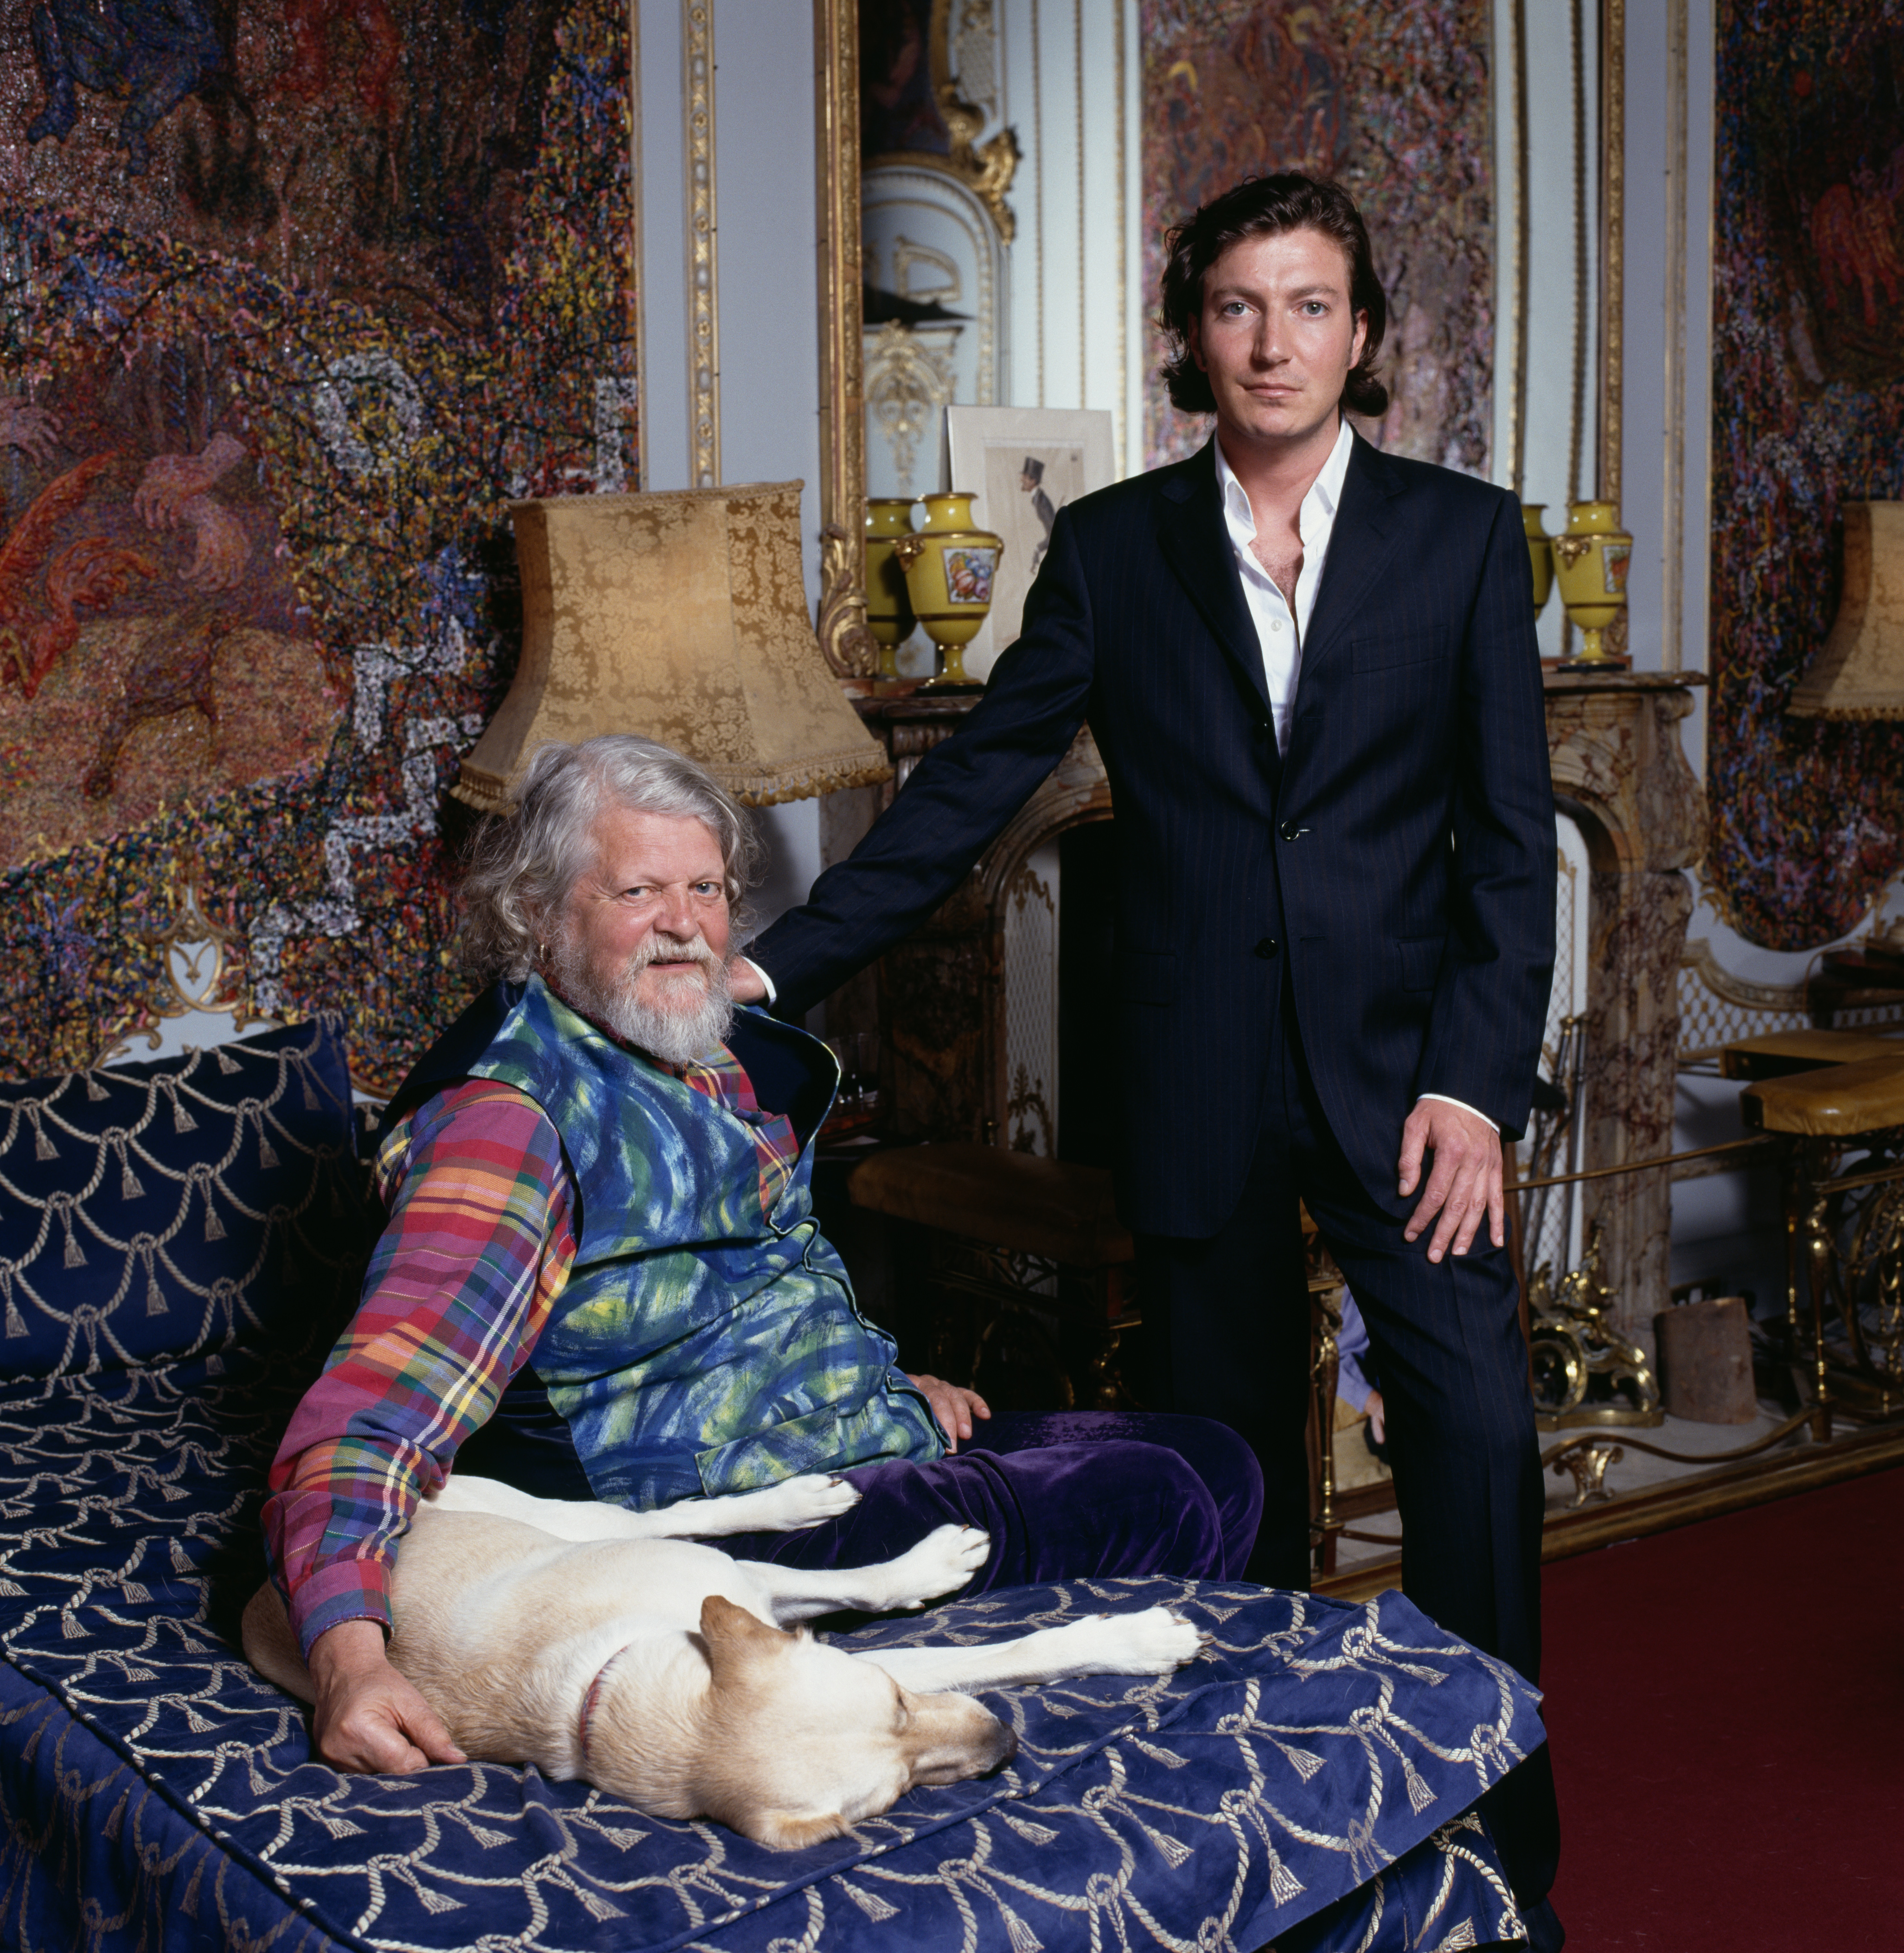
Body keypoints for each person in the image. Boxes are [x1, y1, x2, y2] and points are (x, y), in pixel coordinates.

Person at [736, 173, 1561, 1945]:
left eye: (1310, 305)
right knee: (1233, 1476)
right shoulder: (1111, 547)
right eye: (1239, 306)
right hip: (1193, 1081)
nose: (1273, 341)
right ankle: (1271, 1854)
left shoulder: (1462, 537)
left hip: (1416, 1082)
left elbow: (1505, 847)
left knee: (1477, 1446)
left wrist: (1474, 1083)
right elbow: (968, 787)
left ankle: (1494, 1841)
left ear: (1361, 334)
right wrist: (768, 965)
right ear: (1192, 330)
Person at [262, 733, 1261, 1779]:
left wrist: (872, 1383)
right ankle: (1106, 1785)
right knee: (1156, 1496)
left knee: (1219, 1456)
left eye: (704, 887)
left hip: (828, 1454)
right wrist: (348, 1664)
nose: (685, 925)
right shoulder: (506, 1122)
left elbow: (751, 1285)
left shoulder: (691, 1043)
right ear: (537, 914)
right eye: (637, 890)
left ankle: (1149, 1747)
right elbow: (370, 1415)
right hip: (697, 1537)